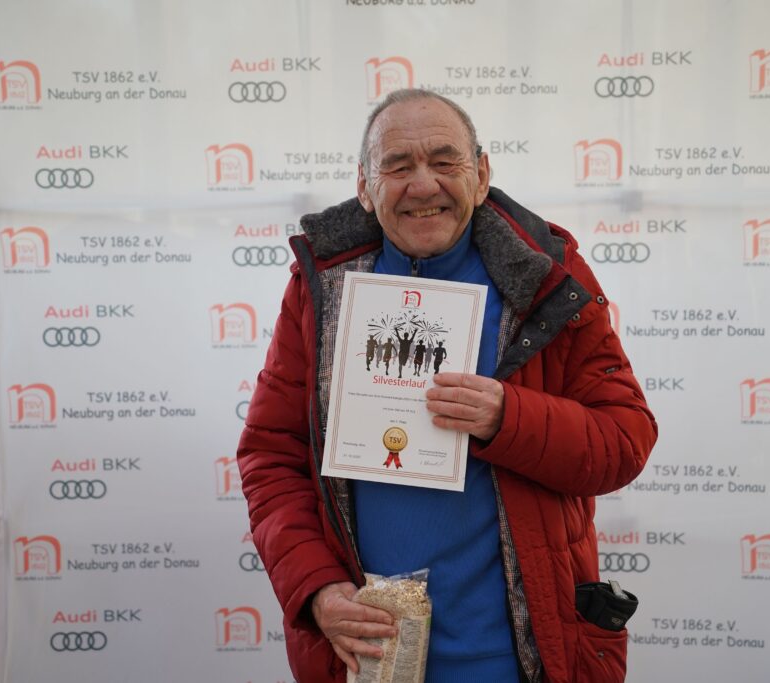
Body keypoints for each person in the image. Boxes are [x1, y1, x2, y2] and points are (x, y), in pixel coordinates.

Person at [237, 89, 657, 683]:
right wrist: (317, 589)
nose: (423, 184)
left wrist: (509, 418)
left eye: (444, 160)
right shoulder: (321, 287)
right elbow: (271, 456)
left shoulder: (547, 278)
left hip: (518, 658)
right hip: (373, 656)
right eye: (397, 166)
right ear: (365, 187)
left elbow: (625, 439)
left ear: (481, 176)